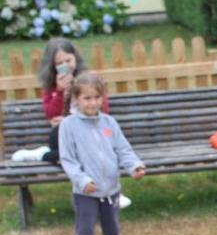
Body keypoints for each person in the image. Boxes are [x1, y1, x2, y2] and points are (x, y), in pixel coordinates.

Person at [11, 39, 132, 207]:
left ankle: (41, 155)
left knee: (82, 155)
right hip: (62, 134)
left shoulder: (90, 81)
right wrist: (60, 93)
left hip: (90, 131)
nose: (65, 65)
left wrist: (76, 119)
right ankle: (111, 194)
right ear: (52, 66)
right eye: (59, 63)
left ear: (75, 59)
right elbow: (51, 114)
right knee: (74, 150)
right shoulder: (52, 88)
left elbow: (102, 109)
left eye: (68, 61)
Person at [59, 72, 146, 235]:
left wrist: (134, 166)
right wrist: (82, 180)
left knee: (114, 233)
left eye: (97, 97)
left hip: (111, 191)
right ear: (76, 99)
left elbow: (123, 149)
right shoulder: (68, 126)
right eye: (87, 98)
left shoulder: (109, 122)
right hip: (85, 194)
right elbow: (67, 160)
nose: (93, 103)